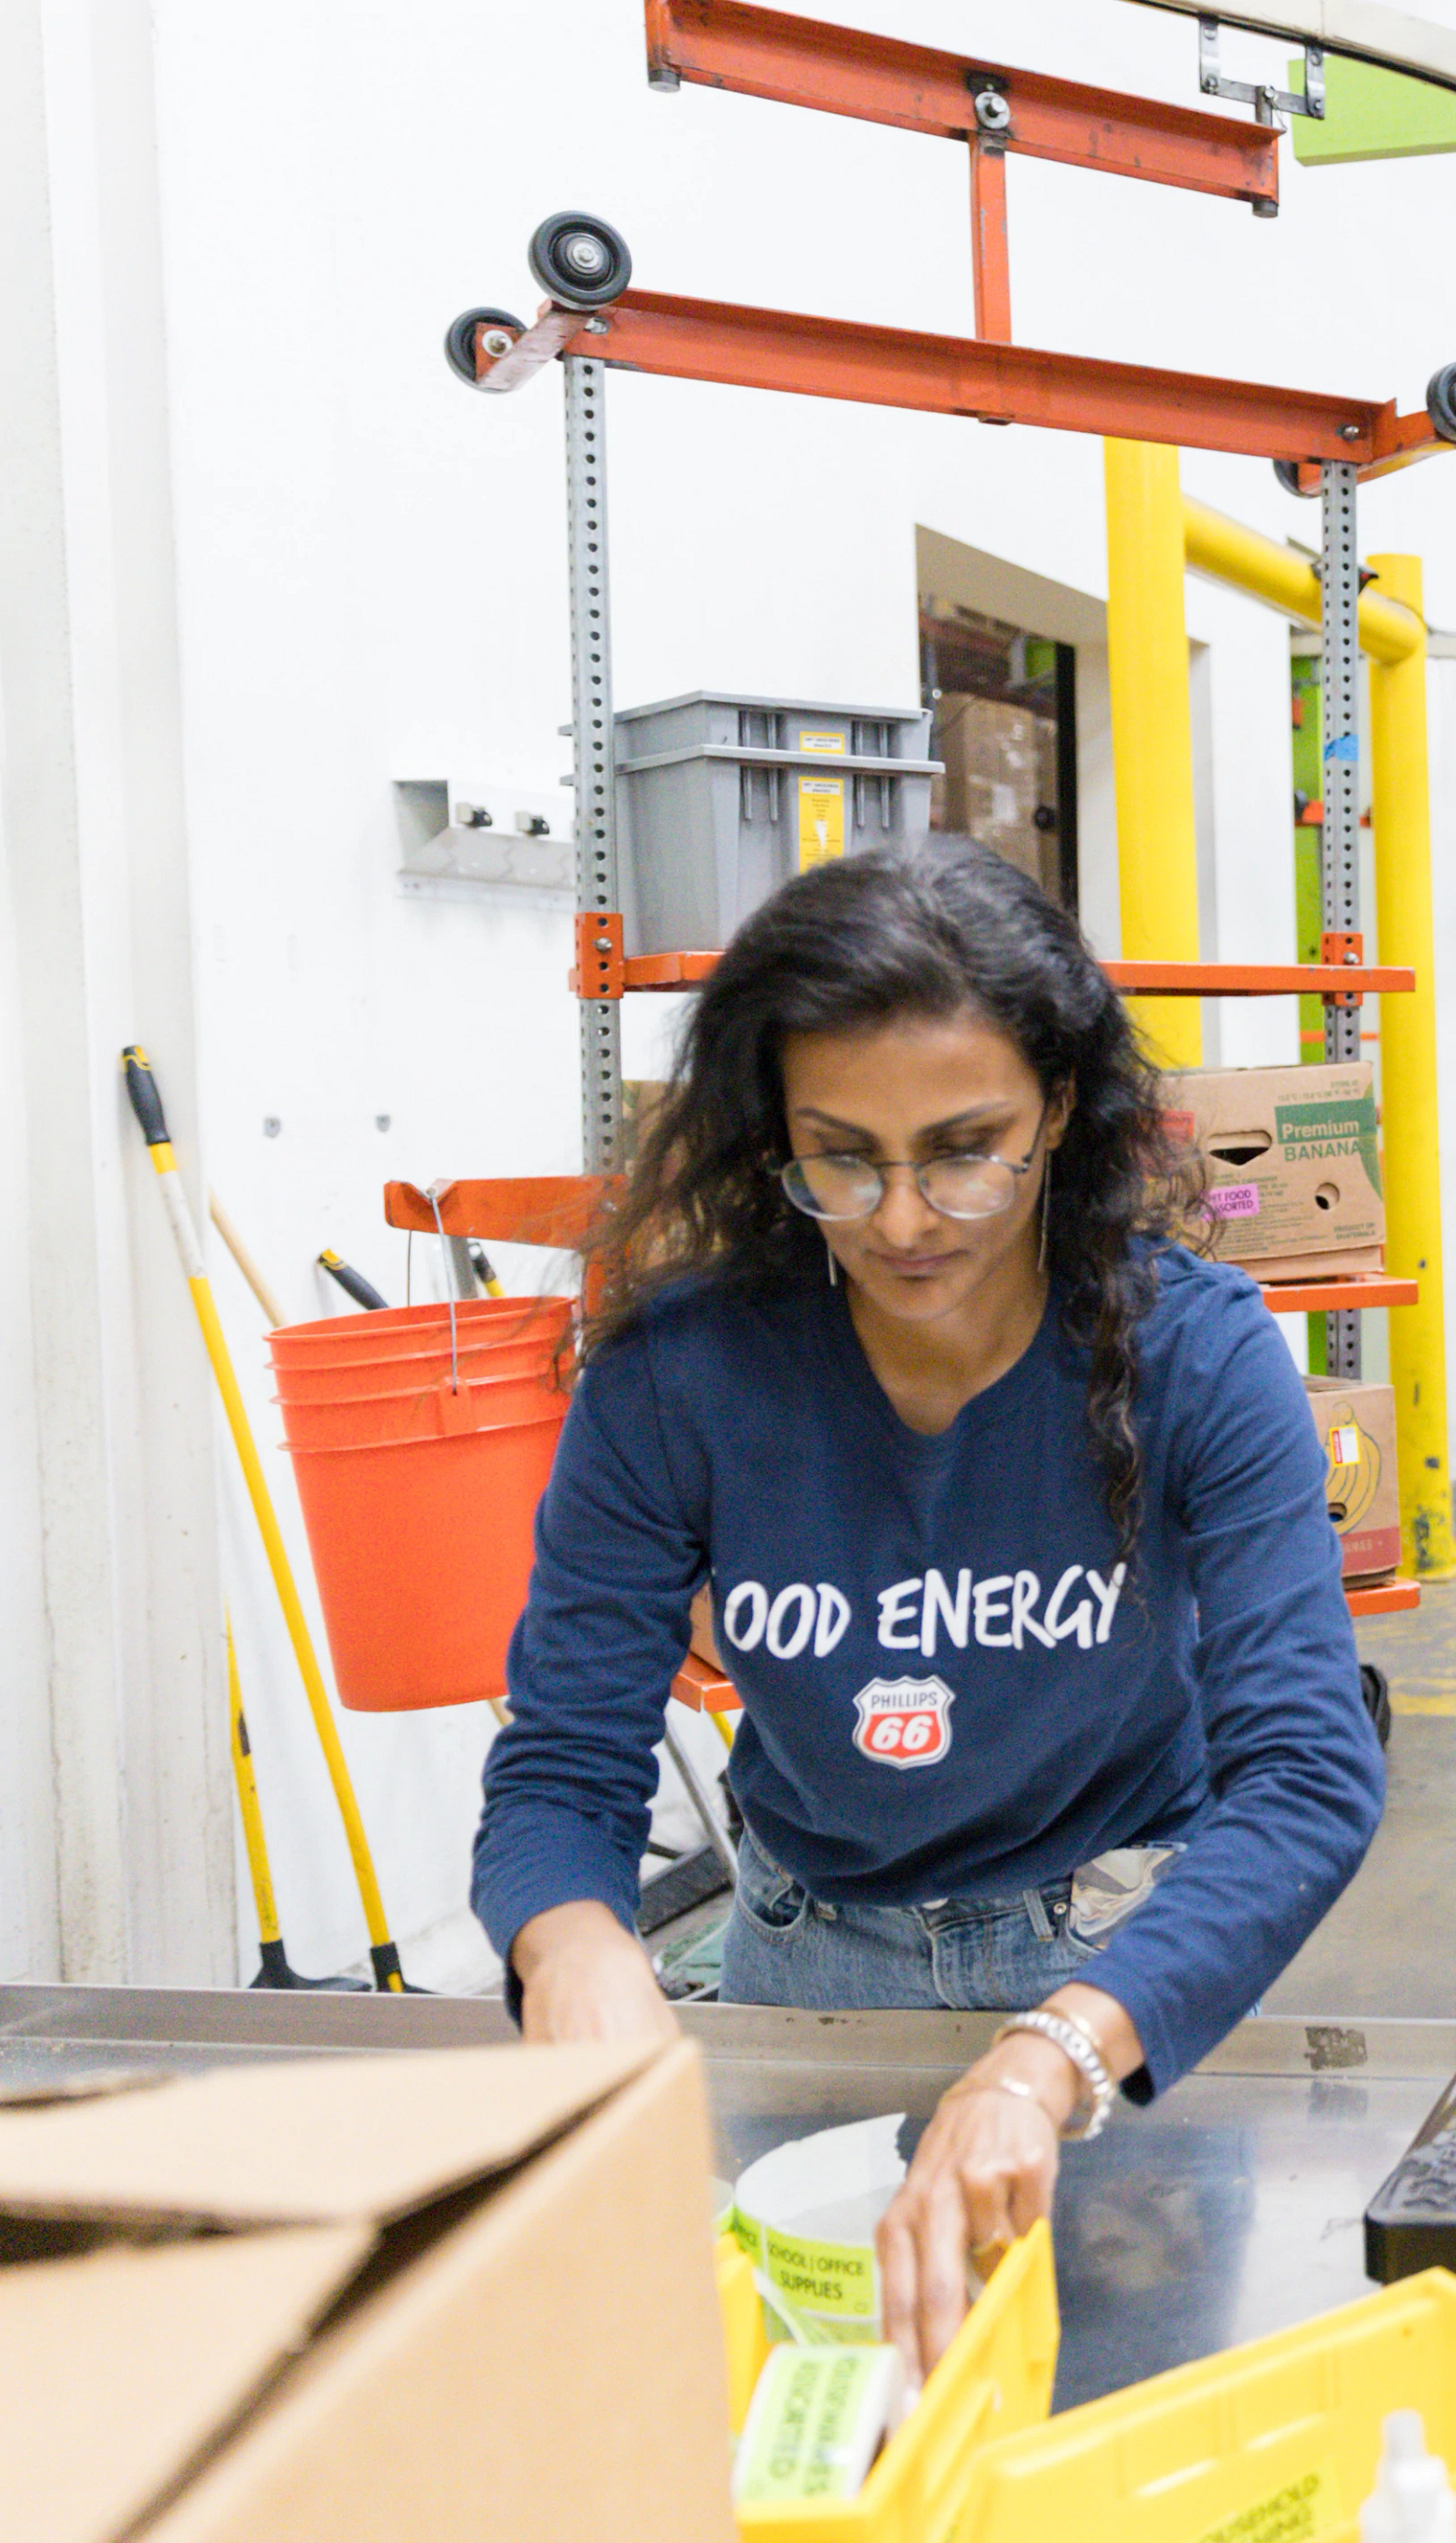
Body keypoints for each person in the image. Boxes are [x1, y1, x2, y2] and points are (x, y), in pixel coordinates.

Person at [474, 844, 1385, 2374]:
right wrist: (573, 1951)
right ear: (773, 1132)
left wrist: (1056, 2057)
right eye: (840, 1154)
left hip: (1117, 1975)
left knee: (1097, 2446)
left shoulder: (1197, 1357)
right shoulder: (681, 1376)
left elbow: (1306, 1772)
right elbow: (563, 1766)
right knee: (818, 2451)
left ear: (1061, 1119)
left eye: (967, 1148)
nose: (903, 1217)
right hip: (804, 1978)